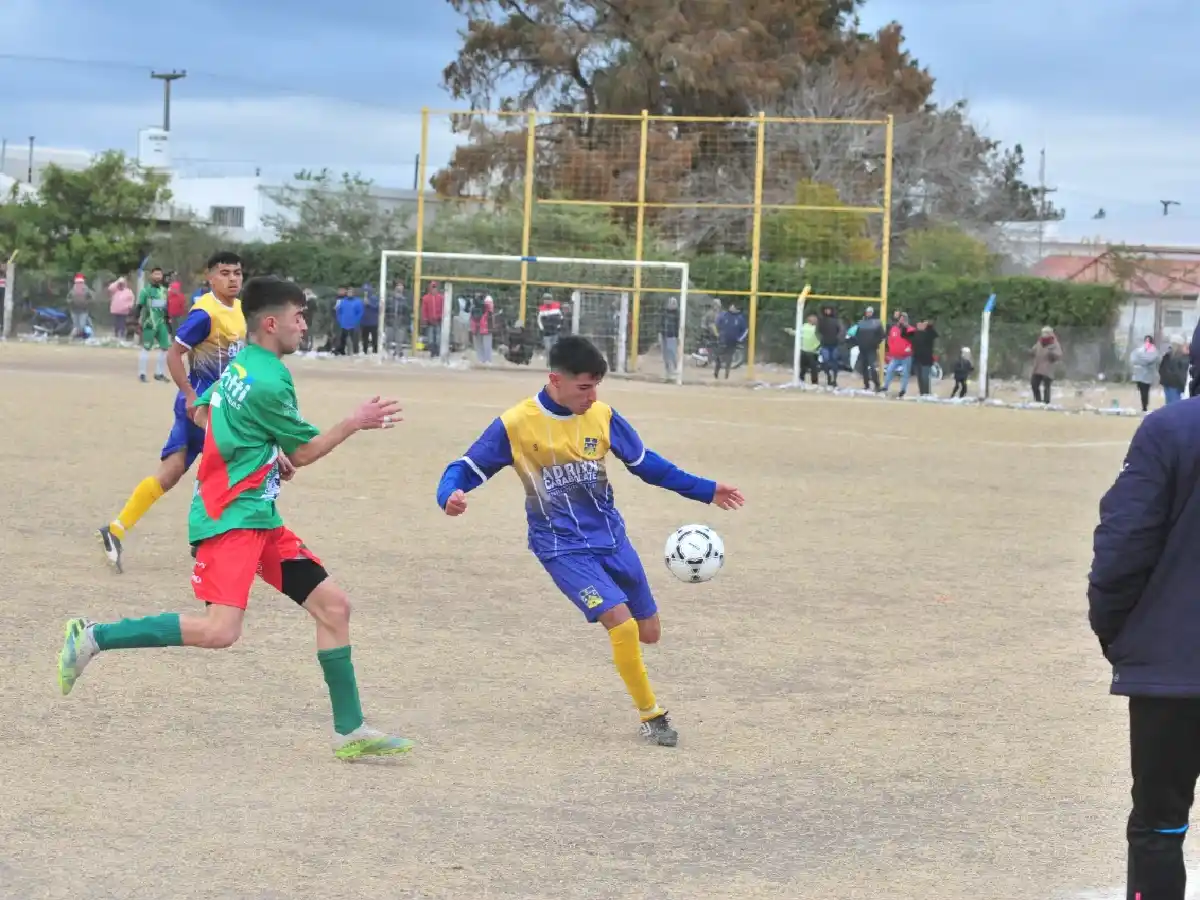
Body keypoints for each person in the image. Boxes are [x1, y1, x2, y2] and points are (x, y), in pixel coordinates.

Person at [60, 276, 412, 760]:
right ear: (272, 323)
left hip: (257, 516)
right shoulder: (269, 377)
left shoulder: (242, 362)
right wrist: (353, 422)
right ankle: (94, 636)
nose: (304, 325)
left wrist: (268, 456)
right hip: (231, 519)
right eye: (298, 317)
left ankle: (349, 731)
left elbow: (209, 413)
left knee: (334, 608)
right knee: (219, 631)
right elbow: (305, 452)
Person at [435, 336, 745, 747]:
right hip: (560, 546)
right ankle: (652, 716)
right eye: (584, 387)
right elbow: (466, 466)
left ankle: (636, 670)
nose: (592, 396)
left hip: (612, 538)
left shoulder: (602, 415)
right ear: (555, 380)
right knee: (620, 620)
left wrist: (705, 489)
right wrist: (449, 494)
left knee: (648, 631)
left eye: (597, 386)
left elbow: (647, 465)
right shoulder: (516, 423)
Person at [1088, 397, 1200, 899]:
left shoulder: (1171, 428)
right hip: (1173, 665)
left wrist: (1118, 634)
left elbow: (1124, 543)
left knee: (1159, 825)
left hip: (1175, 669)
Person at [97, 251, 246, 573]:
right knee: (224, 468)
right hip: (203, 407)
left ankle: (117, 529)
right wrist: (191, 395)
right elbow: (174, 354)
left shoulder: (238, 309)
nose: (232, 279)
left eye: (237, 273)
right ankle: (205, 541)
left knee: (172, 471)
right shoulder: (205, 313)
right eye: (224, 273)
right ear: (210, 277)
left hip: (216, 406)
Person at [137, 266, 171, 383]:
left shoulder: (164, 291)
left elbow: (166, 307)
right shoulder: (145, 291)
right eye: (155, 274)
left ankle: (159, 373)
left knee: (165, 348)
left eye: (159, 274)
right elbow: (139, 306)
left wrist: (168, 321)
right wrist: (137, 321)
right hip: (149, 323)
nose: (158, 276)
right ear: (151, 276)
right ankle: (142, 373)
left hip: (161, 323)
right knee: (146, 347)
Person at [1031, 326, 1062, 404]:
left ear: (1050, 333)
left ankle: (1046, 402)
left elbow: (1059, 355)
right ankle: (1038, 401)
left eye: (1046, 333)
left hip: (1048, 368)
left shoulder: (1054, 343)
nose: (1044, 334)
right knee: (1034, 384)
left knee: (1046, 387)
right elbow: (1034, 350)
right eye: (1043, 333)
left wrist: (1051, 353)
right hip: (1037, 367)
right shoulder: (1039, 342)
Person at [1130, 335, 1160, 413]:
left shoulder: (1154, 351)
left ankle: (1144, 407)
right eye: (1146, 340)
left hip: (1147, 376)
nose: (1147, 342)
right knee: (1141, 391)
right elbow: (1133, 359)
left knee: (1145, 391)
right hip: (1138, 375)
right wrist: (1141, 359)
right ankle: (1142, 405)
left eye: (1148, 341)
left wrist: (1140, 359)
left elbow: (1149, 360)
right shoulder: (1140, 350)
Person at [1159, 335, 1189, 405]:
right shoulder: (1181, 356)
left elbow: (1161, 369)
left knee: (1170, 404)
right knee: (1175, 405)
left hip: (1168, 383)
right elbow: (1181, 373)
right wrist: (1184, 385)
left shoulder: (1167, 355)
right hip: (1176, 385)